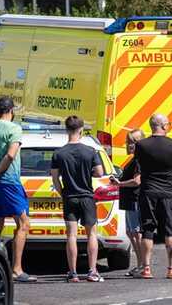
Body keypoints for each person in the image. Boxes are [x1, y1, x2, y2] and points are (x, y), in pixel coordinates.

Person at [0, 97, 36, 283]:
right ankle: (17, 269)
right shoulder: (14, 129)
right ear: (11, 110)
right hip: (8, 181)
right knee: (23, 224)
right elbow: (11, 155)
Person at [50, 116, 105, 283]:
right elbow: (100, 172)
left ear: (67, 130)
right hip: (87, 197)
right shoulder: (90, 151)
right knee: (92, 234)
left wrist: (63, 193)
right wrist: (89, 172)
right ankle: (92, 271)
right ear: (81, 130)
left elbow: (55, 179)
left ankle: (73, 273)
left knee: (71, 236)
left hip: (70, 197)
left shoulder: (59, 153)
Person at [136, 114, 172, 280]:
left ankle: (146, 268)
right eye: (168, 124)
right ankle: (171, 267)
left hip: (148, 192)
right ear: (163, 126)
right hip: (168, 193)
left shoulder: (141, 145)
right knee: (170, 231)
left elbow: (139, 165)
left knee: (147, 230)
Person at [110, 129, 146, 278]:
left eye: (134, 142)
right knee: (131, 233)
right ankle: (140, 265)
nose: (130, 145)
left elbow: (137, 181)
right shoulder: (134, 159)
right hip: (129, 200)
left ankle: (143, 266)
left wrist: (120, 183)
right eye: (129, 141)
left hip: (135, 200)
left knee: (136, 233)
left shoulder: (139, 160)